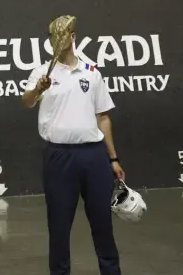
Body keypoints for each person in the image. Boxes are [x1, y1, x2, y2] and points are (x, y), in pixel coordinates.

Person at [21, 15, 124, 275]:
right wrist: (38, 89)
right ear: (51, 40)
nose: (62, 38)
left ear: (73, 37)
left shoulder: (92, 72)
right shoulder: (42, 73)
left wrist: (113, 159)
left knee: (102, 224)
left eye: (66, 33)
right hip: (59, 157)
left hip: (94, 157)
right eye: (57, 34)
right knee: (58, 226)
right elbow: (27, 101)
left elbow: (103, 117)